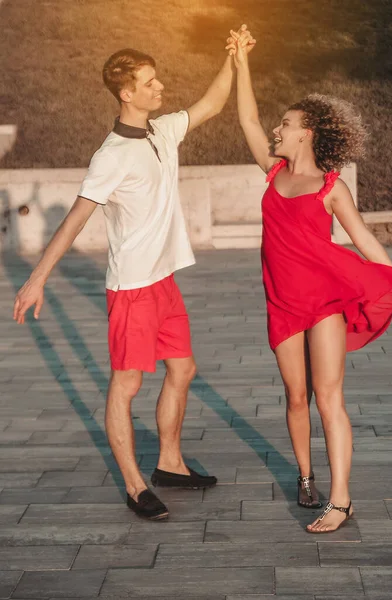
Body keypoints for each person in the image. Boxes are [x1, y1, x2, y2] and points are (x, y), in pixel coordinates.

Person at [13, 27, 255, 520]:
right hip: (132, 288)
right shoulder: (110, 157)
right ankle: (134, 485)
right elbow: (77, 217)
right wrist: (38, 277)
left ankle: (170, 463)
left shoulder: (162, 130)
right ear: (126, 92)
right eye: (149, 82)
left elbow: (211, 103)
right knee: (126, 385)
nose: (159, 86)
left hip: (164, 279)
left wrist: (233, 57)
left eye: (156, 79)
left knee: (182, 369)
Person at [227, 29, 392, 534]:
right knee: (297, 397)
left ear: (308, 132)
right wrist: (240, 61)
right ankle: (307, 476)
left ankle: (340, 500)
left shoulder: (331, 186)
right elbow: (246, 118)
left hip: (325, 302)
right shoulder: (272, 172)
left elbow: (362, 239)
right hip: (283, 302)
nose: (276, 128)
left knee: (329, 395)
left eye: (287, 124)